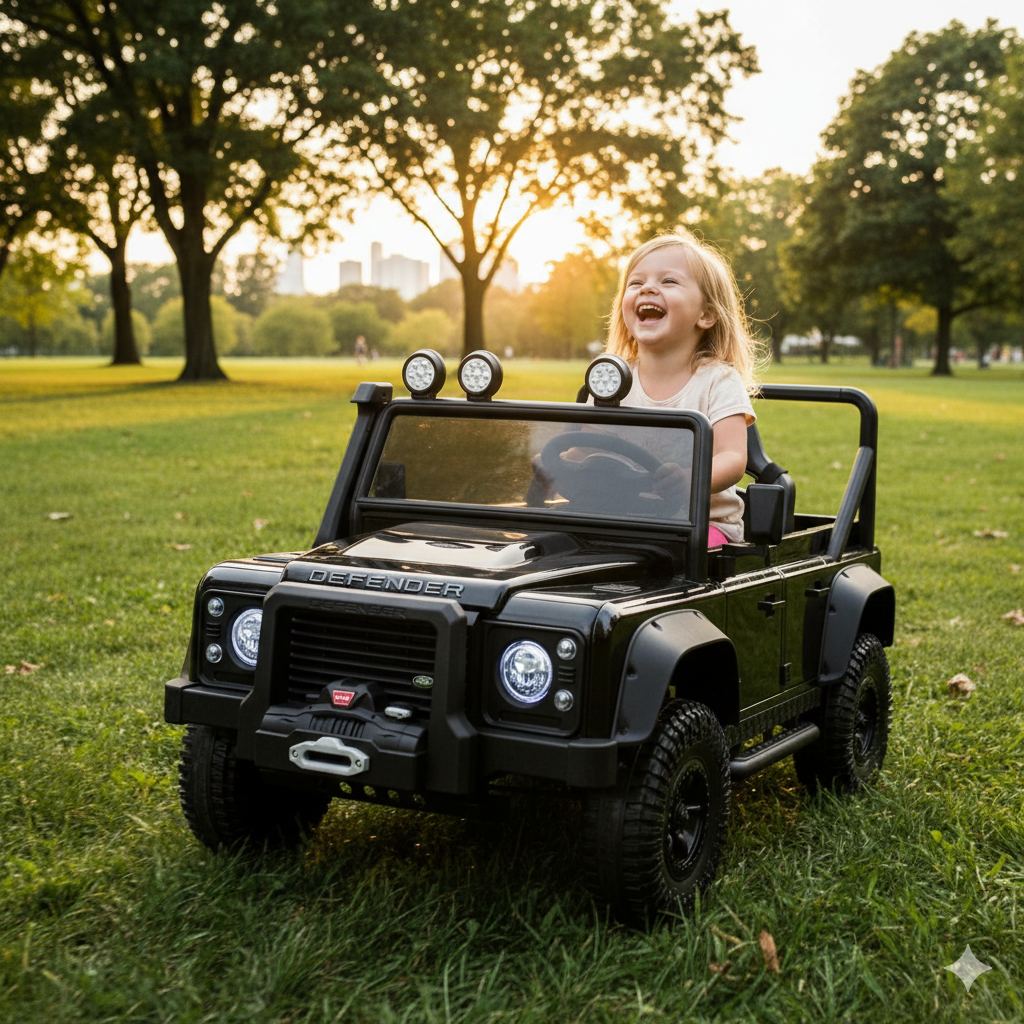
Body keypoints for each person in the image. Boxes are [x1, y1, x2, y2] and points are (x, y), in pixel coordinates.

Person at [605, 231, 762, 546]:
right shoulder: (612, 379)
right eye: (636, 283)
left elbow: (732, 457)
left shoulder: (717, 380)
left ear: (706, 314)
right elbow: (583, 445)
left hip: (702, 526)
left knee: (668, 556)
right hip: (624, 519)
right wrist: (557, 461)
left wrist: (692, 478)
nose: (648, 288)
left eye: (669, 282)